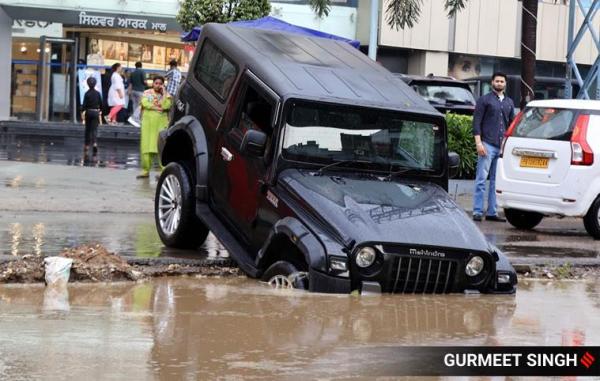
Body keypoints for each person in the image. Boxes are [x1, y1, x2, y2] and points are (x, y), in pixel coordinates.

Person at [472, 72, 515, 222]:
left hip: (501, 146)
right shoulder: (484, 100)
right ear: (492, 83)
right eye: (497, 81)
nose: (499, 83)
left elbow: (511, 125)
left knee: (496, 182)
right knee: (481, 179)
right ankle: (477, 211)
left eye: (502, 81)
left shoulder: (509, 102)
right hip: (487, 144)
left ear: (505, 84)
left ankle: (492, 212)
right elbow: (476, 122)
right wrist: (478, 143)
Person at [138, 76, 172, 179]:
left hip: (161, 124)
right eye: (156, 83)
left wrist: (164, 93)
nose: (158, 85)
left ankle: (163, 171)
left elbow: (166, 106)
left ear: (163, 85)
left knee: (161, 147)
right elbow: (145, 103)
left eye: (160, 83)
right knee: (146, 147)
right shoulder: (147, 93)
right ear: (153, 84)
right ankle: (145, 170)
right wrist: (157, 107)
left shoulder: (166, 95)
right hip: (148, 123)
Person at [81, 77, 102, 162]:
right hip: (95, 112)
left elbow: (84, 105)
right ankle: (95, 143)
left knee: (87, 129)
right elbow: (101, 104)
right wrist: (100, 110)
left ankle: (86, 146)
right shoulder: (98, 93)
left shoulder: (87, 93)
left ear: (88, 84)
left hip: (88, 112)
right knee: (94, 129)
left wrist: (82, 111)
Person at [127, 61, 145, 127]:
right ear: (141, 66)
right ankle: (136, 119)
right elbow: (144, 81)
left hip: (133, 91)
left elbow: (130, 83)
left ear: (135, 66)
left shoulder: (133, 73)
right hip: (140, 90)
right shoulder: (142, 71)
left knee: (134, 105)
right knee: (140, 105)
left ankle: (134, 120)